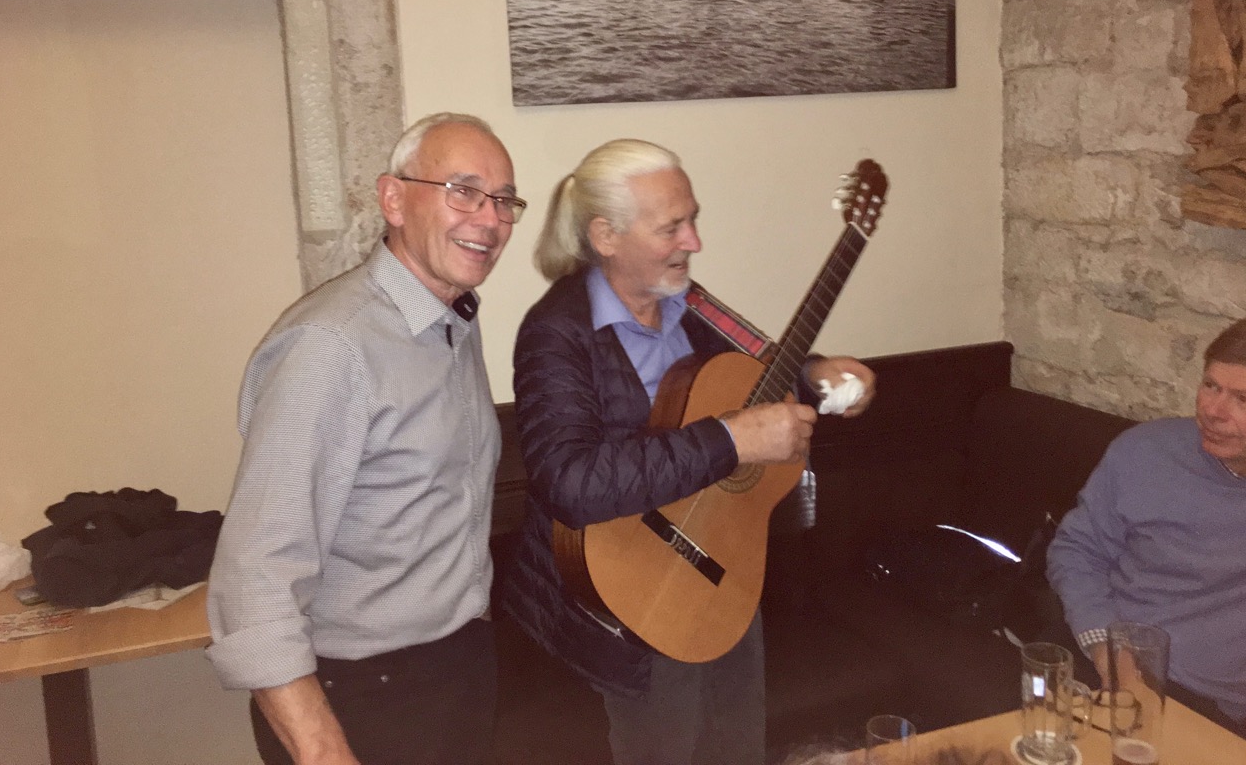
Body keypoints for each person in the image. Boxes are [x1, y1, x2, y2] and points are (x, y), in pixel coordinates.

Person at [502, 139, 875, 765]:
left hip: (723, 563)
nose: (693, 241)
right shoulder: (556, 333)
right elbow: (569, 482)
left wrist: (818, 376)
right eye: (671, 227)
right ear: (606, 236)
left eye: (692, 220)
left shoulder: (691, 303)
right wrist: (731, 440)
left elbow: (760, 372)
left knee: (739, 749)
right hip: (625, 596)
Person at [206, 112, 527, 765]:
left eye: (503, 200)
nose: (490, 219)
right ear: (393, 199)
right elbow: (255, 577)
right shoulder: (332, 346)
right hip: (363, 698)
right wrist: (323, 750)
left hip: (455, 670)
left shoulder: (450, 322)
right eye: (463, 191)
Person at [1047, 315, 1246, 742]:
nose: (1212, 411)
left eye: (1243, 399)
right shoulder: (1146, 452)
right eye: (1210, 386)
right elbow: (1076, 550)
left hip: (1220, 705)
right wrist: (1107, 649)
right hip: (1110, 657)